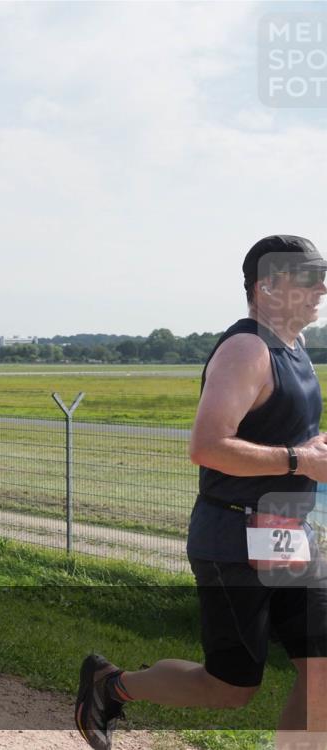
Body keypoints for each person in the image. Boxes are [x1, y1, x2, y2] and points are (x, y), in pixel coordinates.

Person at [75, 236, 327, 750]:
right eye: (308, 278)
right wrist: (300, 459)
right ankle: (110, 685)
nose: (322, 289)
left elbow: (279, 432)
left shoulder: (294, 346)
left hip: (285, 532)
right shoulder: (247, 350)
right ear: (267, 287)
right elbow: (208, 446)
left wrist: (312, 447)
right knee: (230, 688)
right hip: (234, 536)